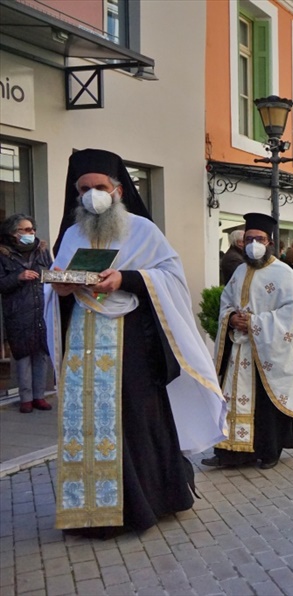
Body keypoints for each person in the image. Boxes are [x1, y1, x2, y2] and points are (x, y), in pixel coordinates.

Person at [46, 149, 226, 533]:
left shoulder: (143, 230)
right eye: (84, 189)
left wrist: (125, 279)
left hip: (132, 347)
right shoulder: (72, 235)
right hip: (82, 346)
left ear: (118, 190)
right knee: (86, 423)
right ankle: (90, 511)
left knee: (134, 421)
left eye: (100, 187)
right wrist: (59, 290)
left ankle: (144, 505)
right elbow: (59, 285)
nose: (92, 195)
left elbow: (171, 279)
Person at [201, 213, 293, 470]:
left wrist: (254, 322)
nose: (253, 244)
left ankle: (270, 450)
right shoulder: (239, 271)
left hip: (268, 351)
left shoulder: (284, 273)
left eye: (259, 239)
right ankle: (230, 453)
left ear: (270, 243)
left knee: (266, 404)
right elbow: (226, 302)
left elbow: (292, 315)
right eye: (249, 239)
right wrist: (231, 318)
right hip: (240, 350)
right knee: (231, 399)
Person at [0, 214, 53, 413]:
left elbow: (51, 273)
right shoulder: (3, 254)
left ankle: (40, 396)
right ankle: (26, 398)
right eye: (27, 230)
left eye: (33, 229)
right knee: (23, 356)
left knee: (41, 353)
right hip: (18, 312)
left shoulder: (42, 250)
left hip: (41, 309)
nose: (32, 233)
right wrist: (18, 277)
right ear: (14, 233)